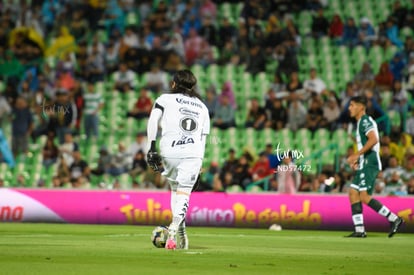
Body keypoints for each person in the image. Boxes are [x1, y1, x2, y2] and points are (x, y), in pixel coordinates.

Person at [146, 69, 210, 250]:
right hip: (193, 152)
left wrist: (151, 147)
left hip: (170, 151)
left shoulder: (164, 99)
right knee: (184, 192)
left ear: (174, 84)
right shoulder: (202, 107)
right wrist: (200, 163)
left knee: (175, 189)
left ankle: (181, 233)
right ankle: (174, 226)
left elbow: (153, 121)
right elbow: (203, 138)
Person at [346, 96, 404, 238]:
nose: (349, 108)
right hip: (364, 162)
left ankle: (394, 219)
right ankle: (359, 230)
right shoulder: (360, 122)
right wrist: (358, 159)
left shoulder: (365, 120)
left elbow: (373, 139)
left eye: (352, 105)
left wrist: (356, 155)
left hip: (370, 162)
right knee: (353, 192)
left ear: (361, 107)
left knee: (364, 197)